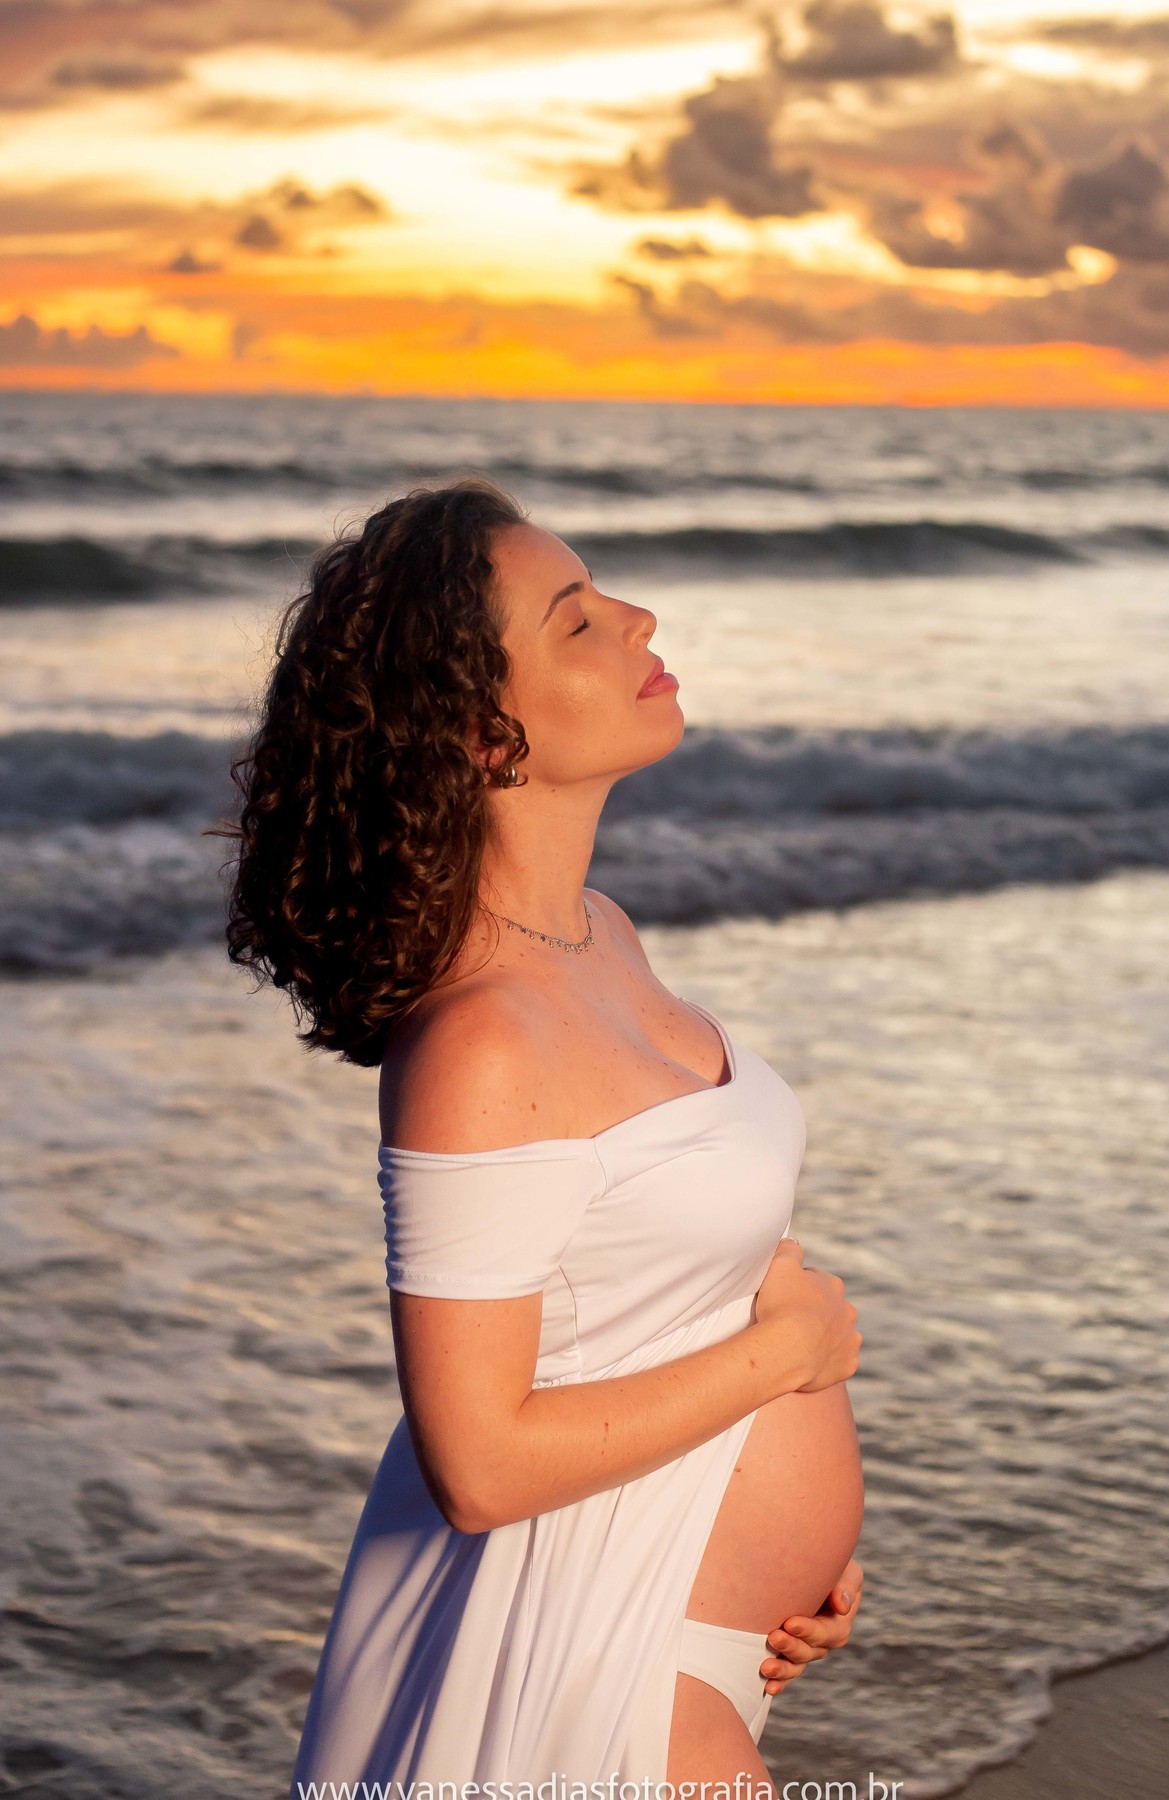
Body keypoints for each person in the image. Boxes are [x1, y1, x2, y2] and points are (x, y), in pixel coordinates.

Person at [222, 475, 865, 1795]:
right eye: (576, 623)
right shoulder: (480, 1042)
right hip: (586, 1666)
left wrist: (794, 1563)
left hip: (693, 1639)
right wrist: (783, 1360)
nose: (634, 616)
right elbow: (481, 1461)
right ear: (476, 732)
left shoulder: (603, 934)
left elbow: (654, 1294)